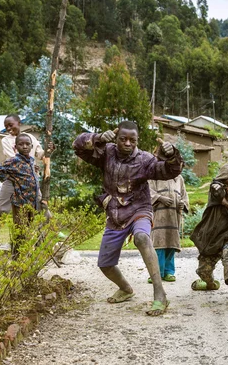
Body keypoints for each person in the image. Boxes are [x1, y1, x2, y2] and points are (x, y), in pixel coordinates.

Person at [73, 121, 183, 316]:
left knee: (142, 237)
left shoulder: (145, 160)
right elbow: (78, 146)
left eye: (132, 140)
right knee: (105, 265)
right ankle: (125, 289)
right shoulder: (106, 153)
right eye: (123, 139)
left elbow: (170, 171)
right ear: (116, 138)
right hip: (115, 213)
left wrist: (172, 154)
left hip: (139, 208)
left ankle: (160, 294)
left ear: (137, 140)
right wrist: (97, 138)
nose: (127, 143)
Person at [189, 163, 228, 290]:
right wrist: (222, 197)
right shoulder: (215, 192)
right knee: (203, 272)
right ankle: (210, 283)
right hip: (210, 239)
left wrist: (227, 203)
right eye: (226, 184)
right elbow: (216, 189)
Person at [0, 114, 45, 242]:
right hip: (13, 179)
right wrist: (29, 166)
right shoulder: (6, 140)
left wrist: (49, 150)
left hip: (30, 180)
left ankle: (39, 238)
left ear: (18, 123)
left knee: (39, 205)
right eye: (6, 127)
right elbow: (14, 159)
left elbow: (40, 154)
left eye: (11, 125)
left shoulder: (31, 138)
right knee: (1, 208)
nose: (9, 129)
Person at [0, 133, 41, 258]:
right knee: (19, 230)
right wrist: (10, 179)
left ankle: (25, 255)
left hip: (32, 202)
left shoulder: (30, 160)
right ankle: (16, 257)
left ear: (31, 146)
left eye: (27, 144)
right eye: (21, 144)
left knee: (28, 229)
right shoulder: (14, 160)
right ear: (15, 147)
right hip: (20, 201)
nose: (24, 146)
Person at [148, 174, 189, 283]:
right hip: (159, 217)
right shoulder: (154, 176)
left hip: (174, 217)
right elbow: (148, 192)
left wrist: (183, 204)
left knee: (171, 244)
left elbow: (184, 196)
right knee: (158, 244)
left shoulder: (179, 178)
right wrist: (160, 198)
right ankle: (156, 273)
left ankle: (169, 272)